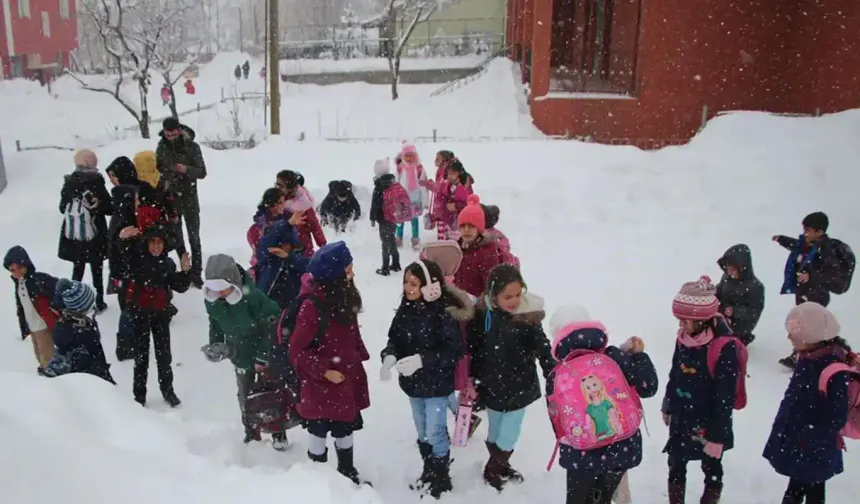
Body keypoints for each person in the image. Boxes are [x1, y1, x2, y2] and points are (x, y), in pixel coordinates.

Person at [547, 304, 658, 504]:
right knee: (603, 497)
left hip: (580, 454)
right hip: (620, 446)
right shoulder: (613, 356)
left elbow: (558, 422)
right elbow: (648, 387)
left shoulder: (557, 375)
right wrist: (639, 356)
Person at [465, 264, 555, 491]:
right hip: (491, 384)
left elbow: (542, 346)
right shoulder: (482, 315)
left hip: (519, 384)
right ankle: (501, 464)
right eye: (508, 296)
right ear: (493, 295)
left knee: (509, 432)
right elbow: (473, 348)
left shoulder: (527, 316)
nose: (514, 300)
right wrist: (472, 378)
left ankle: (493, 467)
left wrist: (550, 369)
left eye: (517, 294)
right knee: (495, 430)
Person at [288, 242, 371, 486]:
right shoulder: (312, 307)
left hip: (344, 380)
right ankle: (319, 482)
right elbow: (296, 352)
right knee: (318, 431)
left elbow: (349, 332)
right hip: (321, 386)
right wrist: (325, 371)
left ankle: (347, 472)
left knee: (345, 430)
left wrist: (358, 355)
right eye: (348, 268)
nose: (352, 272)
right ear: (336, 275)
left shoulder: (343, 295)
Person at [380, 259, 463, 498]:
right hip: (413, 385)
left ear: (430, 286)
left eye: (414, 283)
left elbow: (453, 351)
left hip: (437, 385)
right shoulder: (405, 310)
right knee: (422, 430)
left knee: (435, 430)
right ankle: (429, 468)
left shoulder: (443, 314)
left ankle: (441, 474)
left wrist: (422, 360)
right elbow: (394, 340)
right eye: (406, 282)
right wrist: (389, 357)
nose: (408, 288)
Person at [662, 276, 740, 504]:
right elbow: (675, 373)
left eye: (685, 321)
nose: (681, 325)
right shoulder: (683, 338)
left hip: (709, 421)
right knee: (675, 463)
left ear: (703, 320)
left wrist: (717, 436)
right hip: (682, 416)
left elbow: (724, 396)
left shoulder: (724, 347)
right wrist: (668, 403)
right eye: (679, 320)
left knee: (712, 466)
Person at [763, 302, 850, 504]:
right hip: (800, 441)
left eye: (793, 333)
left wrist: (810, 435)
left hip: (815, 446)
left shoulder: (833, 369)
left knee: (813, 491)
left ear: (811, 338)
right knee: (798, 485)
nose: (788, 337)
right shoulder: (807, 357)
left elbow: (837, 415)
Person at [201, 254, 288, 450]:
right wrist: (216, 344)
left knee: (270, 394)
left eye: (222, 287)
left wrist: (264, 355)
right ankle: (251, 433)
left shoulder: (253, 298)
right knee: (244, 396)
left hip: (262, 354)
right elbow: (215, 323)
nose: (219, 293)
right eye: (214, 289)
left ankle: (277, 433)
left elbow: (274, 322)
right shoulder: (212, 301)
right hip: (238, 355)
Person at [119, 224, 191, 407]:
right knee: (141, 358)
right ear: (147, 244)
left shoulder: (167, 263)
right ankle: (139, 395)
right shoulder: (137, 259)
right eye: (153, 242)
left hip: (160, 315)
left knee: (164, 356)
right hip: (140, 315)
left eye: (160, 243)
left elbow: (179, 286)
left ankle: (168, 391)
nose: (156, 247)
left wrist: (185, 272)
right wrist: (124, 239)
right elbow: (123, 257)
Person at [774, 212, 855, 368]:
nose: (805, 233)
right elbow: (796, 246)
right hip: (804, 291)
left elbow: (831, 275)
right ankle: (801, 353)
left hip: (817, 294)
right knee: (802, 323)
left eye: (808, 230)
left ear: (820, 231)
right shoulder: (808, 244)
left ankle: (812, 355)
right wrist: (782, 240)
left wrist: (811, 276)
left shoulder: (826, 250)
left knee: (810, 326)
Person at [58, 149, 112, 313]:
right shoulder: (97, 182)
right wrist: (97, 206)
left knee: (78, 267)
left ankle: (74, 301)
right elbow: (109, 208)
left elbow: (62, 208)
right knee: (97, 268)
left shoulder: (69, 183)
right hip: (94, 233)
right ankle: (99, 300)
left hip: (75, 233)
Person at [156, 117, 207, 287]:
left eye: (173, 132)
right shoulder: (161, 147)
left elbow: (202, 171)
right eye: (167, 132)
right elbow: (158, 168)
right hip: (171, 198)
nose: (170, 135)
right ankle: (186, 269)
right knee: (177, 237)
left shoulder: (192, 147)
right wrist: (166, 179)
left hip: (189, 197)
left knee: (194, 237)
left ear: (179, 130)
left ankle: (197, 272)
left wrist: (186, 170)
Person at [44, 279, 115, 384]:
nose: (94, 309)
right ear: (82, 309)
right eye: (92, 307)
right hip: (90, 385)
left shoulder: (80, 324)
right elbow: (87, 374)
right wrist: (106, 379)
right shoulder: (79, 333)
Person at [4, 246, 59, 373]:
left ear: (23, 265)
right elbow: (21, 307)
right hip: (32, 326)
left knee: (48, 357)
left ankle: (52, 378)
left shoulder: (38, 280)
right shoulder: (19, 284)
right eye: (11, 271)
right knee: (38, 354)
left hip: (43, 326)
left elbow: (56, 289)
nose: (13, 273)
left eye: (14, 269)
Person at [715, 244, 765, 346]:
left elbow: (754, 311)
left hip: (740, 324)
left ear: (742, 268)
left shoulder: (755, 287)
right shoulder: (726, 277)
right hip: (723, 315)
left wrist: (734, 311)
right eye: (728, 268)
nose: (729, 272)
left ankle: (740, 339)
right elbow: (719, 291)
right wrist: (709, 293)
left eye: (733, 269)